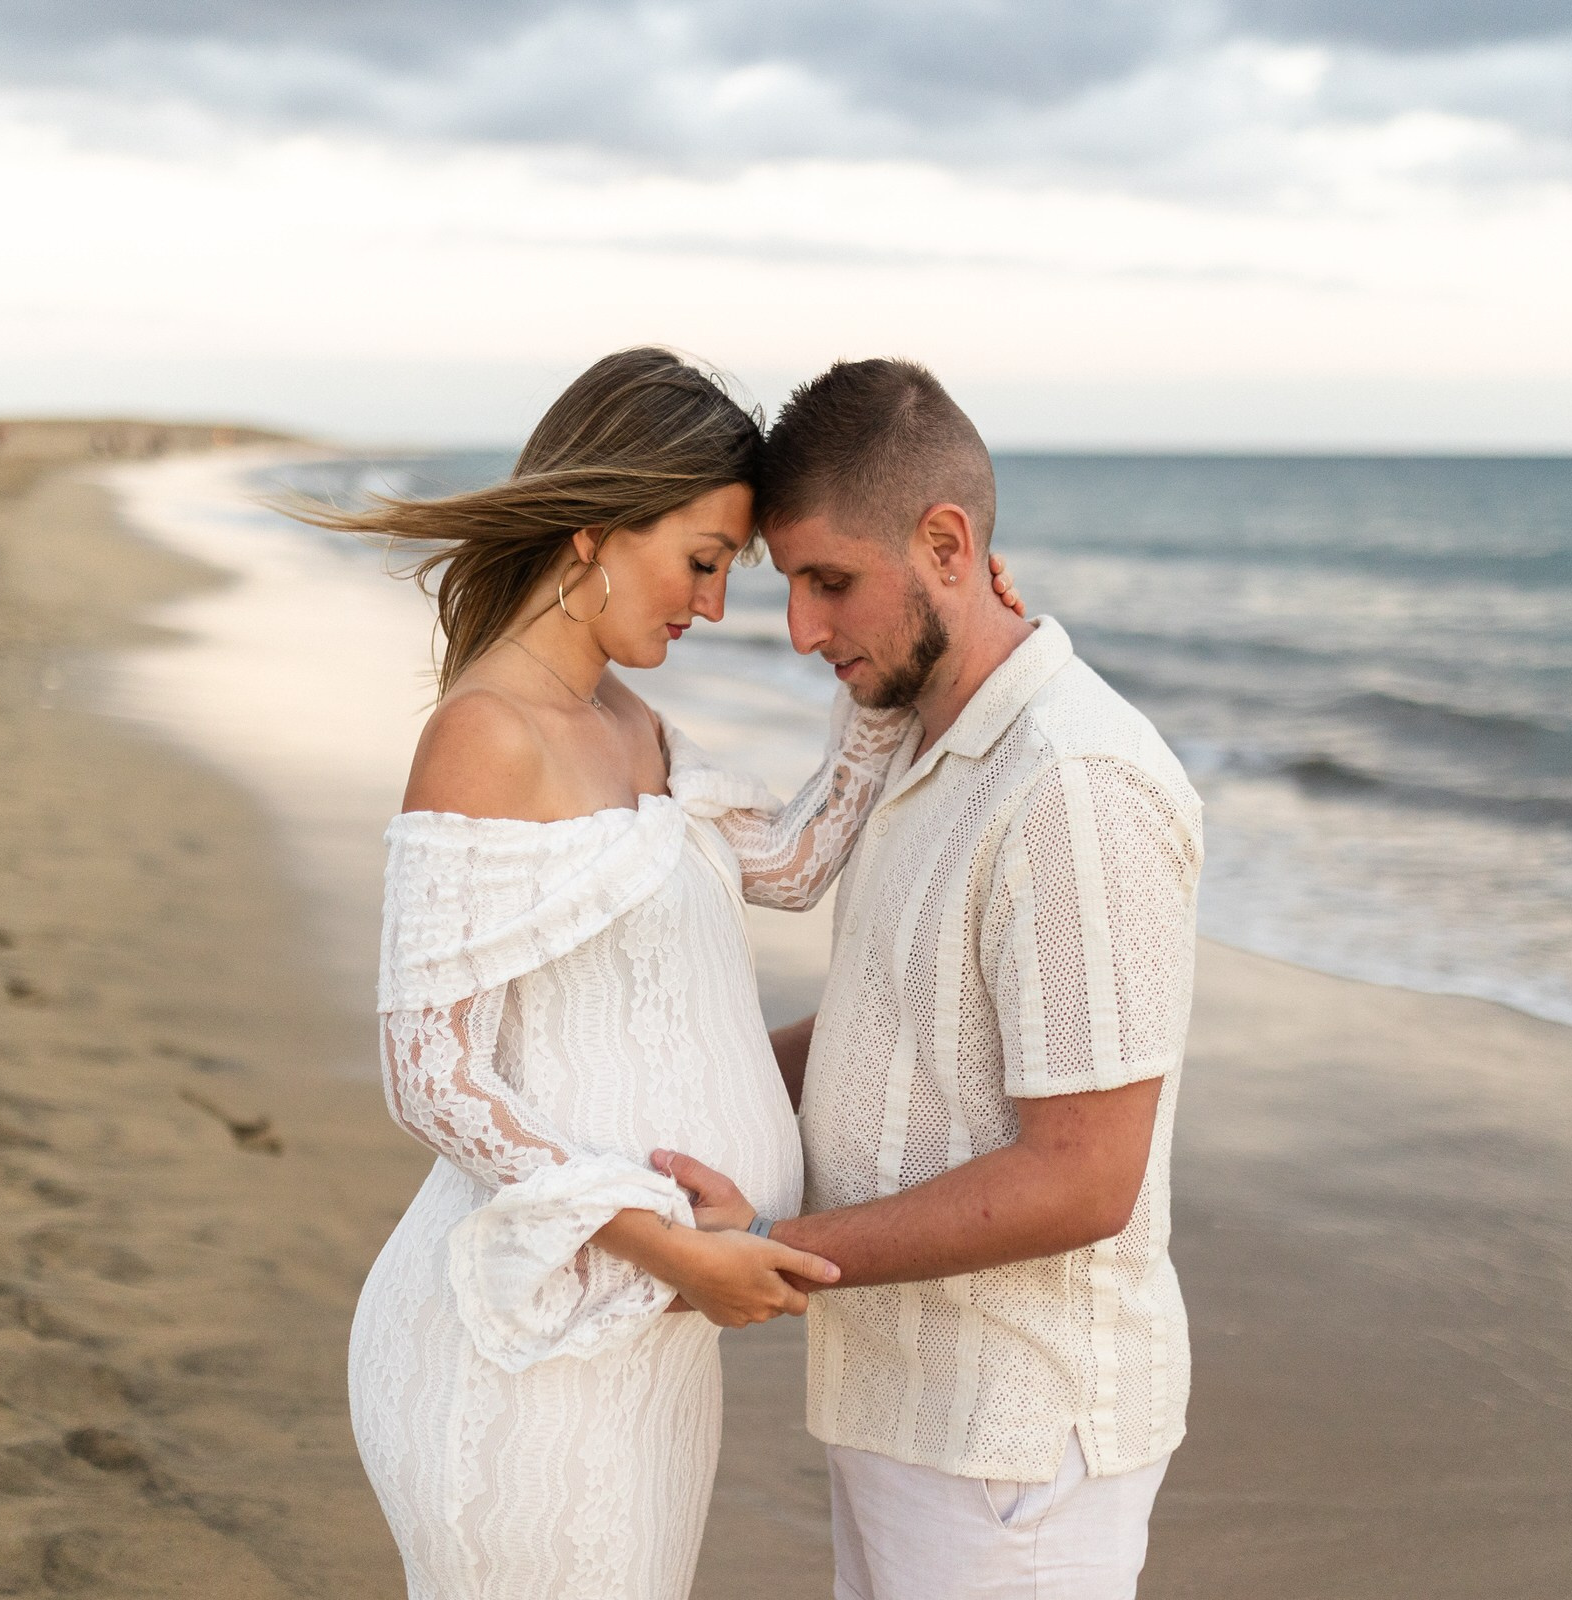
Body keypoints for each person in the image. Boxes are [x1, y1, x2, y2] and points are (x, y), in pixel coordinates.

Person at [316, 347, 1021, 1600]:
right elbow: (429, 1078)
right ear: (593, 531)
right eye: (700, 561)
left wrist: (898, 662)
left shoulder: (630, 724)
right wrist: (668, 1249)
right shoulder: (486, 735)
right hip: (521, 1340)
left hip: (641, 1351)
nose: (713, 608)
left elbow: (798, 860)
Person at [658, 358, 1204, 1600]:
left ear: (948, 543)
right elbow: (882, 1031)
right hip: (914, 1409)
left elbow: (1086, 1173)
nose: (801, 629)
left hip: (1016, 1441)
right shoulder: (927, 737)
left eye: (829, 582)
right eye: (788, 581)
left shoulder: (1070, 787)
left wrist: (777, 1250)